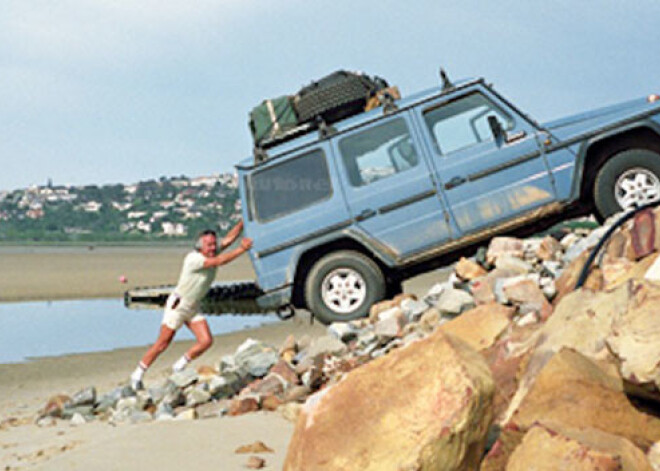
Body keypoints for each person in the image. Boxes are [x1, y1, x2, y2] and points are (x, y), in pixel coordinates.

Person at [130, 220, 252, 390]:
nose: (212, 248)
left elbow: (229, 239)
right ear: (200, 246)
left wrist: (243, 222)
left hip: (193, 306)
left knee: (206, 341)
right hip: (178, 305)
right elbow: (219, 262)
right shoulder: (194, 259)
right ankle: (137, 375)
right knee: (162, 343)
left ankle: (179, 365)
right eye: (208, 245)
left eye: (213, 244)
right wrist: (242, 249)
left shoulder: (213, 252)